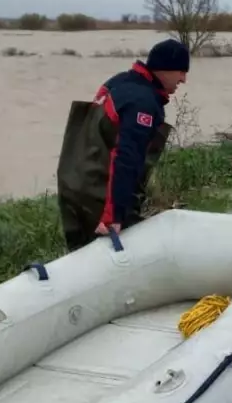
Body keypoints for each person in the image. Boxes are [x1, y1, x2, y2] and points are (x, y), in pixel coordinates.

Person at [55, 38, 190, 252]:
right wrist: (113, 216)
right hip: (100, 193)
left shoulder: (119, 82)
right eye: (181, 71)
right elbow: (126, 157)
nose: (183, 79)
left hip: (73, 184)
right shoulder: (143, 101)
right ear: (165, 68)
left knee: (81, 253)